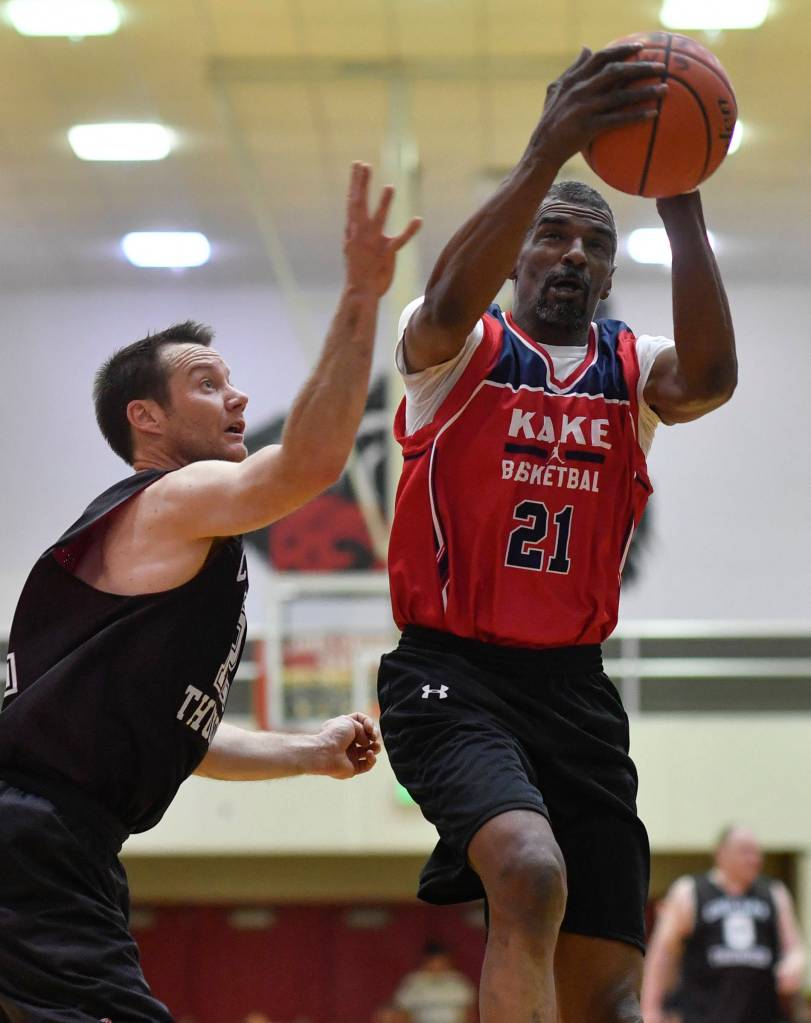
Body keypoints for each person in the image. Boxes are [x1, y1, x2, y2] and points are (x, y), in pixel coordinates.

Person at [0, 162, 420, 1023]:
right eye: (205, 382)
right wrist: (362, 296)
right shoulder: (170, 500)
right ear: (144, 420)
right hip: (34, 837)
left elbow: (184, 736)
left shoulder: (179, 544)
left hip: (51, 837)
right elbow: (308, 464)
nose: (236, 396)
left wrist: (304, 751)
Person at [377, 42, 738, 1023]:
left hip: (575, 688)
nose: (573, 254)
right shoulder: (455, 347)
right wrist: (547, 151)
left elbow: (709, 379)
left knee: (609, 996)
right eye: (551, 236)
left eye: (593, 244)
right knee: (530, 876)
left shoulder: (634, 369)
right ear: (517, 254)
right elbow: (449, 299)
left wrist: (680, 190)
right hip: (449, 673)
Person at [642, 825, 806, 1023]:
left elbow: (794, 949)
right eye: (745, 851)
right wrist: (651, 1009)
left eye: (756, 852)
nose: (754, 859)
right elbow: (662, 956)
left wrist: (794, 964)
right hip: (703, 1014)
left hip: (762, 1013)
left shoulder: (774, 892)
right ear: (721, 854)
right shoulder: (690, 891)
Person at [392, 941, 476, 1023]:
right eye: (433, 961)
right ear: (425, 961)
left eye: (440, 961)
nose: (437, 965)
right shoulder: (412, 982)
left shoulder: (459, 982)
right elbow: (401, 1012)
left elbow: (470, 1012)